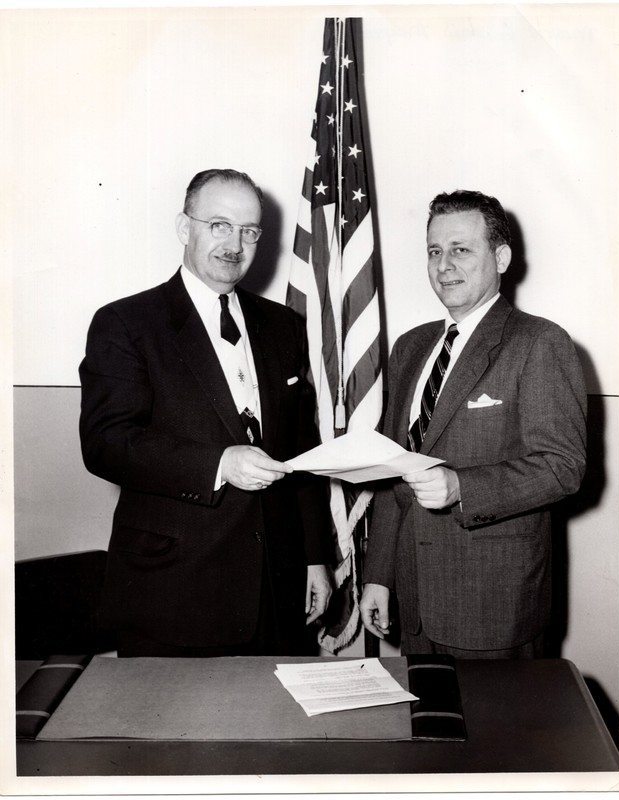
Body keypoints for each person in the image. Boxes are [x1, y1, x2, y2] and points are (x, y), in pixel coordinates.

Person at [79, 168, 333, 657]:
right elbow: (107, 444)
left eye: (249, 231)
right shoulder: (126, 324)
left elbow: (303, 452)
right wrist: (220, 464)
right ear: (184, 228)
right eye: (219, 225)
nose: (234, 244)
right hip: (173, 592)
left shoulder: (283, 326)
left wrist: (314, 558)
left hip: (277, 594)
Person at [360, 189, 587, 658]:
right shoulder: (410, 347)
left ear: (500, 257)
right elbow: (391, 470)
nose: (445, 266)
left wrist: (463, 486)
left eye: (461, 250)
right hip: (415, 598)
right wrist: (378, 575)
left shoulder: (539, 342)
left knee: (499, 734)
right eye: (434, 251)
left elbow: (563, 466)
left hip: (494, 607)